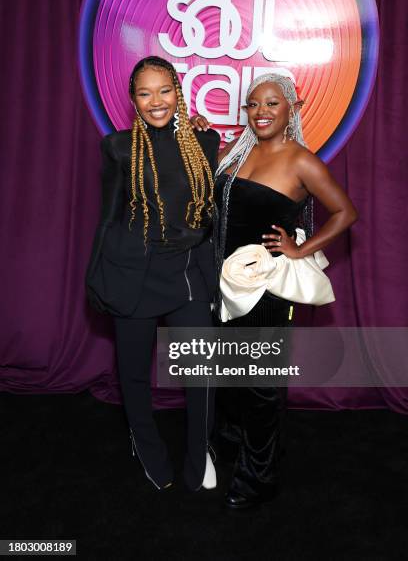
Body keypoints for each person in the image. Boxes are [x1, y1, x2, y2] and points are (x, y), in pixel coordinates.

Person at [192, 69, 358, 508]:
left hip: (267, 291)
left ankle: (258, 478)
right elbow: (200, 181)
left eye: (271, 103)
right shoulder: (235, 152)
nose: (261, 112)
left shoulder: (301, 160)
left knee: (260, 387)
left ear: (291, 109)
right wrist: (197, 135)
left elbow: (345, 212)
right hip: (225, 285)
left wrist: (300, 251)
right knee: (228, 376)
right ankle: (236, 446)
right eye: (253, 104)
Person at [85, 56, 220, 491]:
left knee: (201, 372)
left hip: (185, 274)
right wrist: (96, 274)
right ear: (133, 100)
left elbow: (211, 213)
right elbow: (108, 216)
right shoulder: (117, 146)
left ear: (177, 92)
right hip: (133, 274)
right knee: (135, 373)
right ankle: (144, 442)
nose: (156, 101)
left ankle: (201, 451)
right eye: (145, 93)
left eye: (164, 90)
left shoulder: (206, 141)